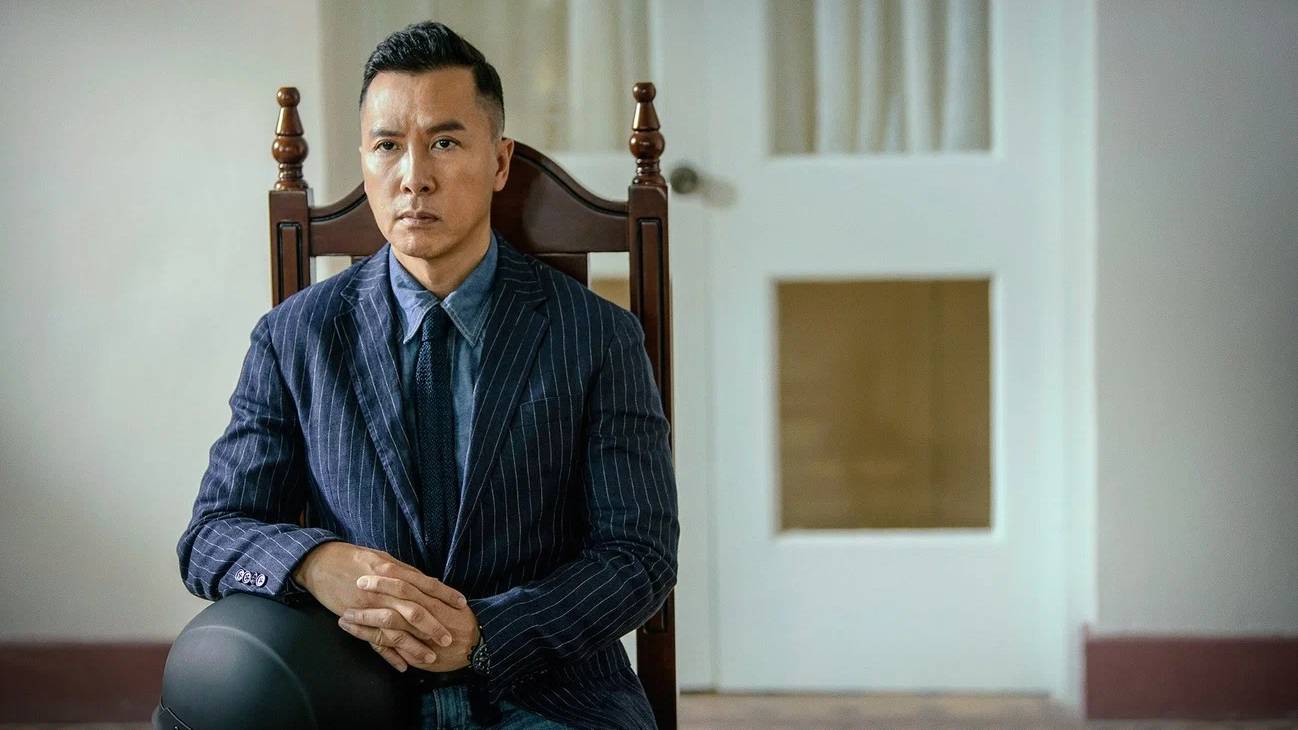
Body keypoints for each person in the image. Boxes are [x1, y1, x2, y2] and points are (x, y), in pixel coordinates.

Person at [176, 20, 679, 730]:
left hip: (548, 691)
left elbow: (639, 556)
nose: (414, 176)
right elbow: (211, 534)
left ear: (499, 161)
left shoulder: (598, 337)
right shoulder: (295, 337)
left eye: (445, 142)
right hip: (352, 691)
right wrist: (317, 563)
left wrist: (486, 635)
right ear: (365, 160)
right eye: (388, 146)